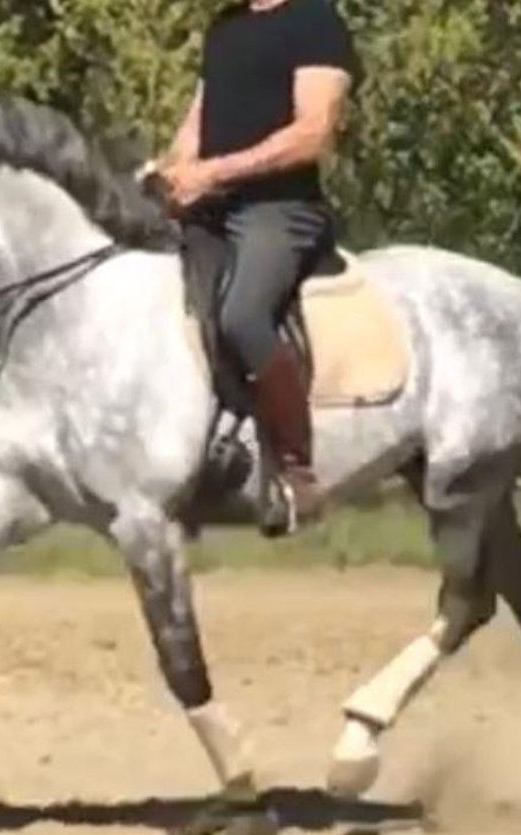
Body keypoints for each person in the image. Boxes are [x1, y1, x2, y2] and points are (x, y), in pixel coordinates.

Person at [159, 0, 358, 530]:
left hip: (281, 209)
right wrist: (170, 172)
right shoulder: (224, 28)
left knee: (243, 315)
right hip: (212, 209)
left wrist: (212, 173)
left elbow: (312, 133)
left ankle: (297, 471)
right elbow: (194, 129)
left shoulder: (315, 21)